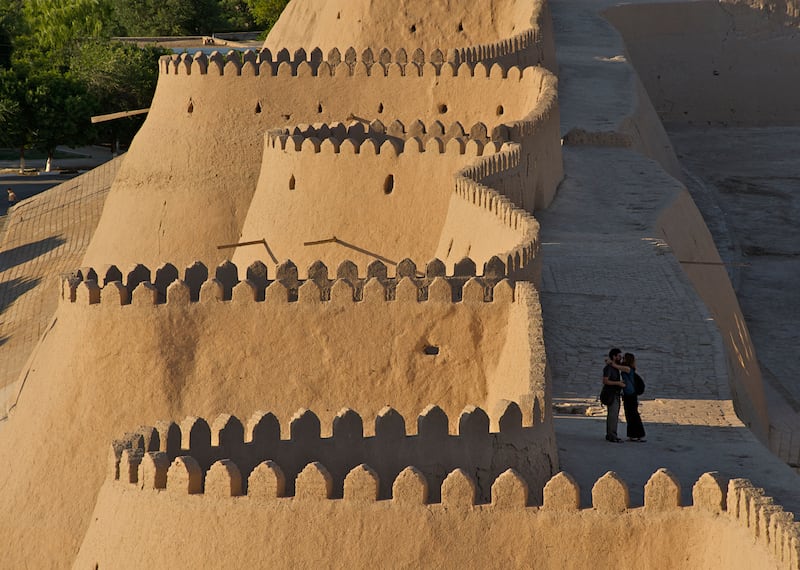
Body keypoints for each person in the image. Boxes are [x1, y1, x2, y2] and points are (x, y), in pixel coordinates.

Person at [608, 352, 646, 442]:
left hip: (631, 396)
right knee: (630, 415)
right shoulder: (628, 368)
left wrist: (610, 361)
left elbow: (616, 366)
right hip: (629, 395)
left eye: (624, 358)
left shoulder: (628, 369)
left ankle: (637, 434)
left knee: (633, 415)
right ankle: (634, 434)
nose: (622, 359)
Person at [602, 348, 626, 443]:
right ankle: (612, 435)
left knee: (614, 415)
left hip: (615, 393)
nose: (620, 358)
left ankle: (611, 434)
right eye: (619, 356)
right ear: (614, 356)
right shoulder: (609, 368)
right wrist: (618, 383)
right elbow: (605, 381)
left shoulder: (615, 366)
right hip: (611, 394)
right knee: (612, 415)